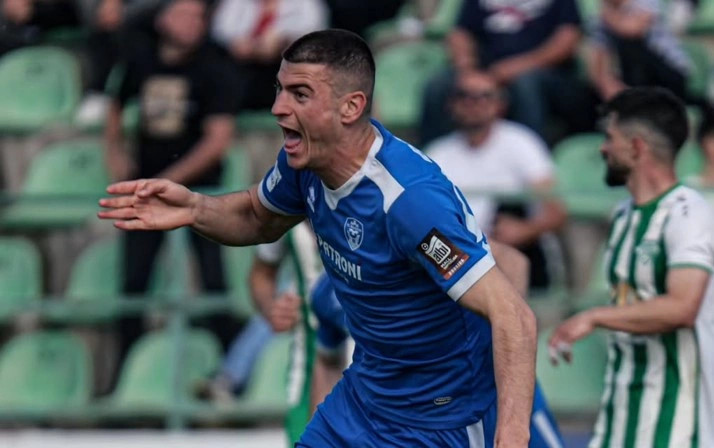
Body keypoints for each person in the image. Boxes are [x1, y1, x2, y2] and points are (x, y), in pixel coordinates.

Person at [98, 29, 536, 447]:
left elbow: (513, 316)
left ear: (351, 107)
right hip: (364, 399)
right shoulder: (303, 165)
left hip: (438, 420)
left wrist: (512, 439)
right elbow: (255, 217)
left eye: (300, 94)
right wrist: (195, 208)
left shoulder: (408, 202)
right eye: (280, 89)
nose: (278, 107)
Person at [548, 87, 714, 448]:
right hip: (620, 412)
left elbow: (682, 307)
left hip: (677, 421)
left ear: (637, 147)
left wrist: (594, 317)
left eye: (610, 138)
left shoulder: (688, 215)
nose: (603, 149)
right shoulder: (623, 215)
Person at [310, 244, 566, 448]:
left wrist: (505, 336)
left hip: (495, 393)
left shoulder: (408, 233)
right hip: (425, 416)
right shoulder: (327, 294)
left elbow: (513, 261)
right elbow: (327, 361)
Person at [104, 0, 239, 356]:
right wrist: (115, 154)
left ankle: (230, 367)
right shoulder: (140, 59)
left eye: (199, 16)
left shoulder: (215, 66)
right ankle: (124, 366)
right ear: (162, 19)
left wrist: (168, 181)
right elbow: (114, 105)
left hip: (201, 191)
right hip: (145, 190)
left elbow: (217, 140)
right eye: (184, 14)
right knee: (133, 282)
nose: (193, 22)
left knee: (213, 280)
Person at [426, 70, 567, 290]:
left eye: (485, 96)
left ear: (500, 104)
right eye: (464, 95)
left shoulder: (522, 143)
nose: (474, 103)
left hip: (517, 258)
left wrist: (524, 230)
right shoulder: (438, 153)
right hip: (459, 262)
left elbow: (556, 211)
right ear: (451, 103)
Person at [198, 221, 322, 447]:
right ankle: (228, 378)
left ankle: (228, 377)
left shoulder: (380, 205)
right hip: (308, 366)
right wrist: (272, 309)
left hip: (372, 365)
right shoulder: (285, 208)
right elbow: (261, 274)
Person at [419, 0, 594, 145]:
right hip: (485, 69)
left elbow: (567, 38)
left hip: (546, 73)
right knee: (439, 85)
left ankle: (530, 158)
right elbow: (461, 32)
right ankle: (430, 162)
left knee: (525, 84)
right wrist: (467, 68)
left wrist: (517, 67)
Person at [211, 0, 327, 111]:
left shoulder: (305, 3)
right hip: (241, 67)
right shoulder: (235, 3)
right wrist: (236, 43)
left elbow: (315, 30)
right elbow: (220, 30)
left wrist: (284, 40)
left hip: (286, 65)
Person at [587, 0, 694, 102]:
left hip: (668, 69)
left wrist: (606, 13)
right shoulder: (603, 19)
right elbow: (597, 58)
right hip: (636, 77)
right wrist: (607, 85)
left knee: (632, 46)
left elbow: (632, 30)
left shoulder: (643, 2)